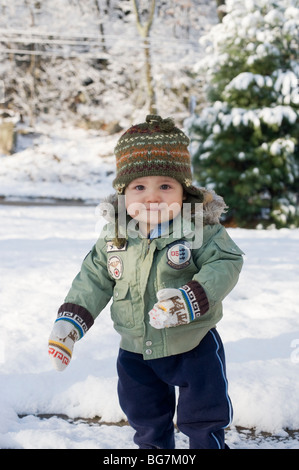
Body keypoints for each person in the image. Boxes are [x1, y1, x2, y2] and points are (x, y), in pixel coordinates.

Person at [48, 115, 244, 449]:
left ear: (184, 190)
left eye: (165, 186)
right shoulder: (115, 235)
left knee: (203, 414)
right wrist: (70, 322)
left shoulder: (201, 230)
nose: (152, 197)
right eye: (140, 187)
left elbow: (226, 262)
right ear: (123, 193)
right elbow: (94, 277)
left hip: (192, 343)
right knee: (145, 416)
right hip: (135, 348)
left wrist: (189, 300)